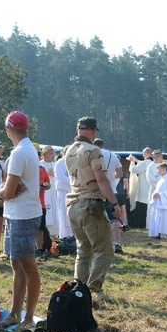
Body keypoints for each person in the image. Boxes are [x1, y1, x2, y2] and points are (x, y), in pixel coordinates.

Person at [65, 117, 121, 302]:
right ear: (94, 130)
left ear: (77, 130)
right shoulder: (93, 150)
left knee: (83, 250)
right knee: (104, 249)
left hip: (73, 204)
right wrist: (114, 203)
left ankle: (79, 289)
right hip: (90, 204)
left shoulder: (69, 150)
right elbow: (102, 179)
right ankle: (93, 289)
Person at [0, 111, 42, 328]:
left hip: (22, 215)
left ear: (8, 130)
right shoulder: (28, 149)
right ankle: (16, 313)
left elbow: (7, 191)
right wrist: (6, 190)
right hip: (19, 214)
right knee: (17, 264)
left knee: (27, 266)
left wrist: (0, 190)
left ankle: (29, 317)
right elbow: (11, 189)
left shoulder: (18, 153)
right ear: (26, 128)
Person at [93, 138, 124, 253]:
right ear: (103, 145)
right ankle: (117, 242)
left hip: (97, 190)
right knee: (114, 218)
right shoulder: (113, 155)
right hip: (111, 190)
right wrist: (110, 178)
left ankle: (99, 245)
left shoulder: (92, 154)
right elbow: (120, 173)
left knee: (97, 218)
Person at [127, 147, 153, 229]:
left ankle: (141, 224)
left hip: (143, 189)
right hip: (147, 188)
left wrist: (132, 161)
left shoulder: (146, 163)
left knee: (142, 208)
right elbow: (141, 164)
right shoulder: (149, 162)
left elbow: (134, 169)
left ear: (146, 154)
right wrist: (136, 160)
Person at [148, 162, 167, 238]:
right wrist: (155, 194)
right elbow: (158, 189)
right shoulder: (161, 180)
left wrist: (161, 195)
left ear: (164, 170)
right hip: (160, 202)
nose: (157, 171)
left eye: (159, 170)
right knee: (159, 218)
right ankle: (158, 233)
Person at [54, 146, 73, 238]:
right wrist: (73, 185)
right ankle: (64, 236)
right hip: (63, 192)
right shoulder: (59, 163)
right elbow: (62, 178)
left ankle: (73, 236)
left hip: (73, 193)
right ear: (63, 153)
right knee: (63, 216)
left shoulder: (74, 162)